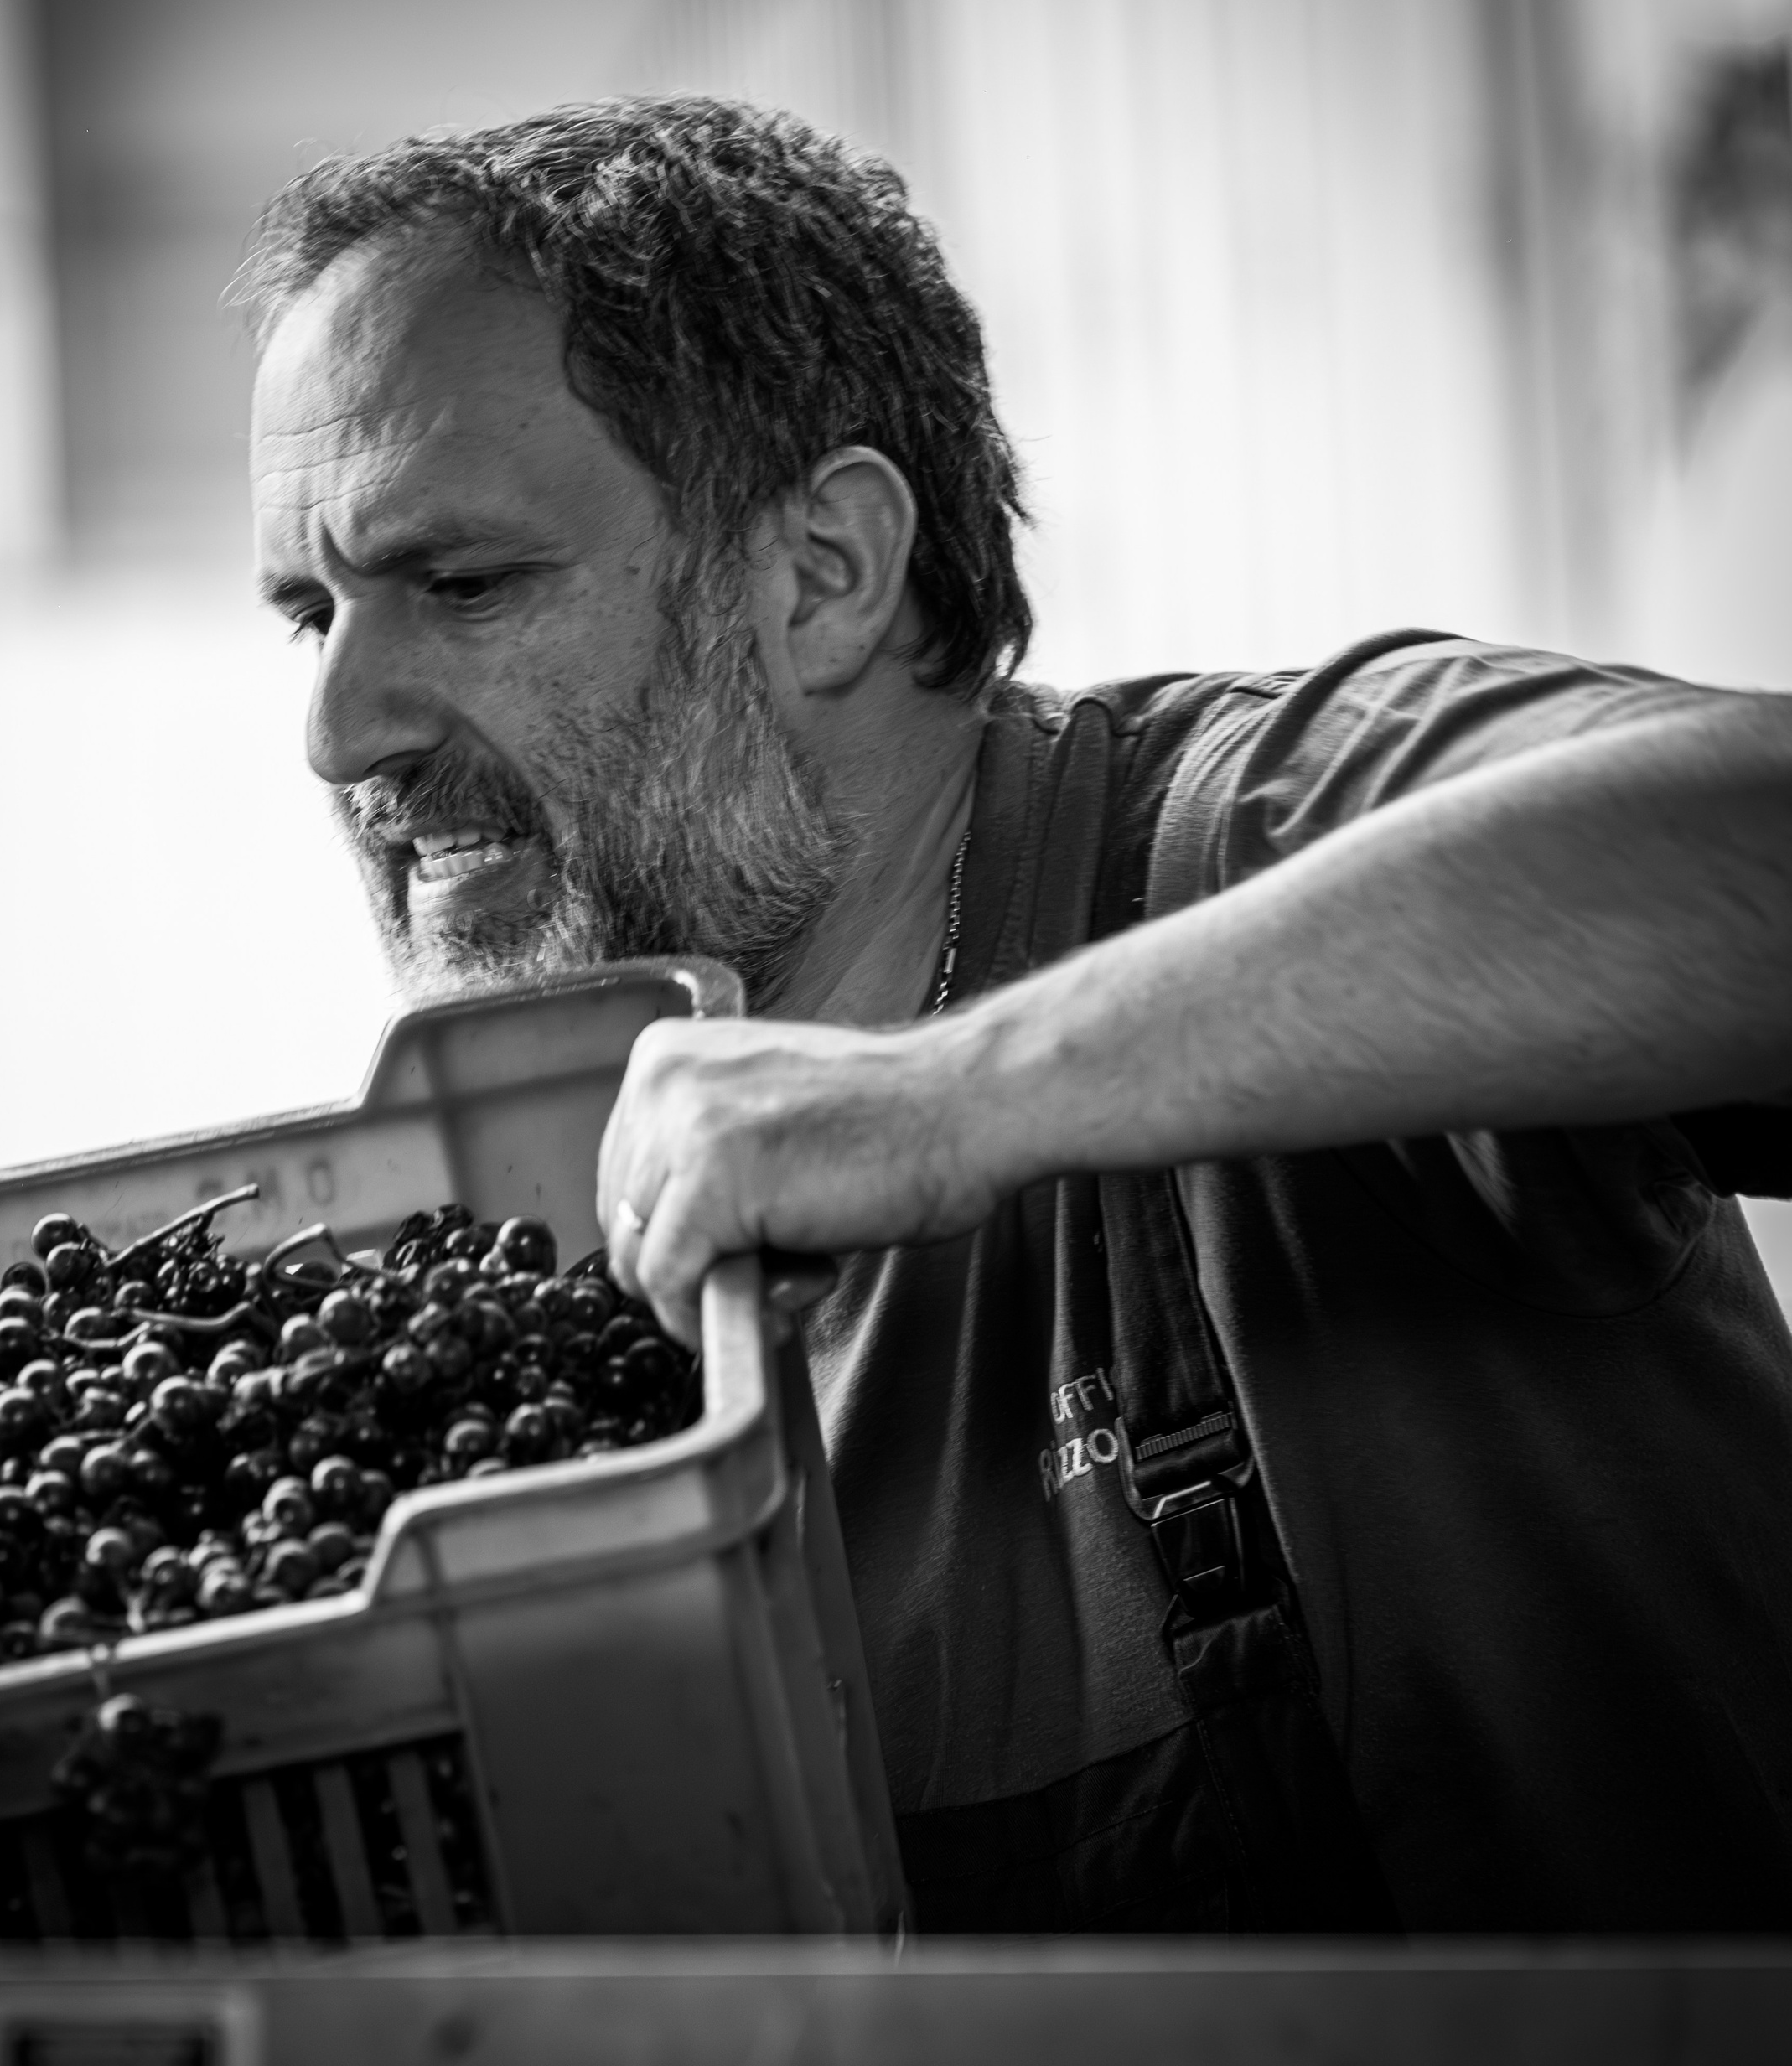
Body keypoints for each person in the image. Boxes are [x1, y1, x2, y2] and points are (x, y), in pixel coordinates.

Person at [239, 96, 1792, 1934]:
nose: (338, 731)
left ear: (823, 574)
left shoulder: (1245, 834)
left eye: (462, 582)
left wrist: (952, 1097)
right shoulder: (570, 1351)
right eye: (308, 615)